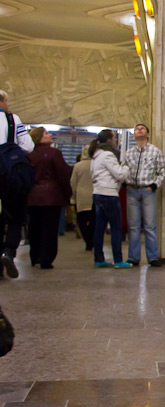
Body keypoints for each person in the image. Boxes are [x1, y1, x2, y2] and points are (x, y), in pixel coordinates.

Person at [0, 89, 35, 280]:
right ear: (3, 101)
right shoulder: (13, 119)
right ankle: (8, 252)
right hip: (9, 174)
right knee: (15, 217)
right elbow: (28, 146)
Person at [26, 127, 72, 269]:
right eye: (46, 133)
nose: (50, 134)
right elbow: (62, 175)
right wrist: (67, 194)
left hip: (32, 197)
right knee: (50, 230)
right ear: (40, 137)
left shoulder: (29, 155)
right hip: (52, 196)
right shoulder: (54, 153)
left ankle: (35, 256)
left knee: (34, 228)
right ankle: (46, 260)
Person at [123, 123, 165, 267]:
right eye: (136, 129)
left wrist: (154, 185)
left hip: (147, 191)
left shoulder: (155, 152)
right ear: (134, 135)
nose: (139, 130)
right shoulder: (128, 153)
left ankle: (153, 257)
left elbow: (163, 171)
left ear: (147, 134)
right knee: (133, 226)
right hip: (132, 191)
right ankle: (133, 257)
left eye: (142, 128)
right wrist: (125, 183)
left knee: (150, 226)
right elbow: (122, 169)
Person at [89, 129, 132, 269]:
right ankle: (118, 260)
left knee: (99, 228)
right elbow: (119, 174)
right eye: (114, 138)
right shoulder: (108, 155)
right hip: (109, 194)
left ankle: (99, 258)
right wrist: (126, 167)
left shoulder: (95, 155)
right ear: (108, 139)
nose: (116, 140)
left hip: (98, 193)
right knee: (116, 228)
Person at [70, 147, 94, 251]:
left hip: (81, 198)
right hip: (94, 197)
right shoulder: (97, 165)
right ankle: (92, 241)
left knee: (82, 222)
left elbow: (73, 183)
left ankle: (87, 242)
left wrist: (72, 199)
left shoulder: (77, 166)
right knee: (94, 222)